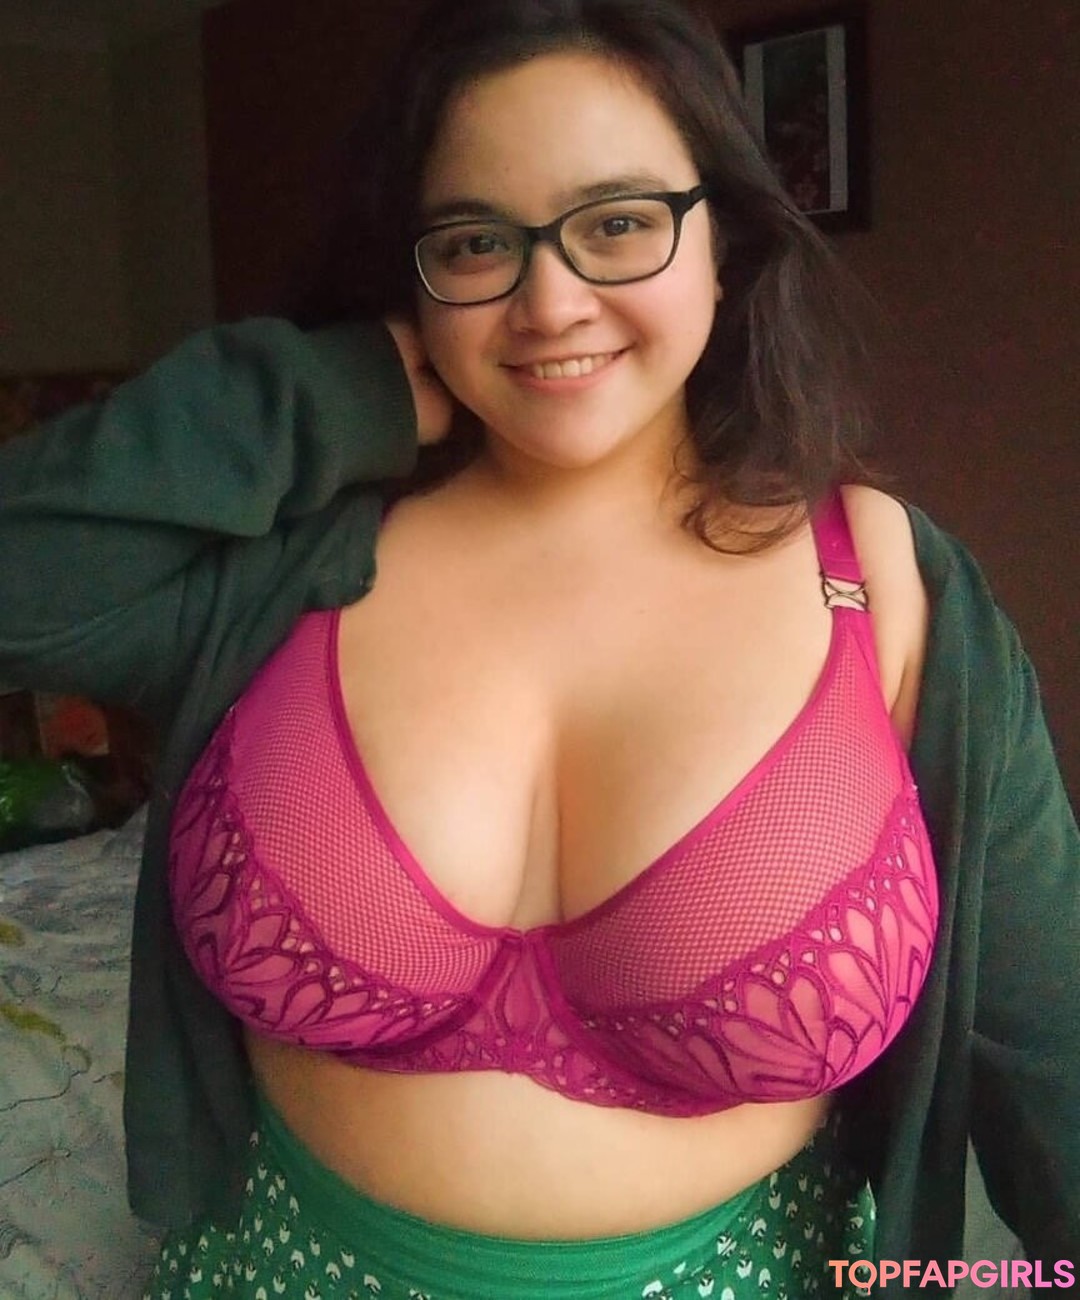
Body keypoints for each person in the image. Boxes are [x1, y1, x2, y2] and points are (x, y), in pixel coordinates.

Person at [1, 0, 1076, 1295]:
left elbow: (1050, 1052)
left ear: (725, 240)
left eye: (617, 222)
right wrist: (327, 390)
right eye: (475, 242)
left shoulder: (885, 583)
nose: (548, 301)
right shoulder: (293, 562)